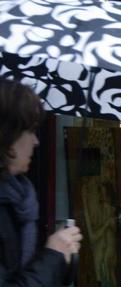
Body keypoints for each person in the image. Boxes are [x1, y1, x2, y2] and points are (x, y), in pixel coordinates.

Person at [0, 79, 83, 286]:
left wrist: (60, 259)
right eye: (29, 131)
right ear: (7, 134)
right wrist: (53, 255)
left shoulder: (18, 197)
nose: (36, 141)